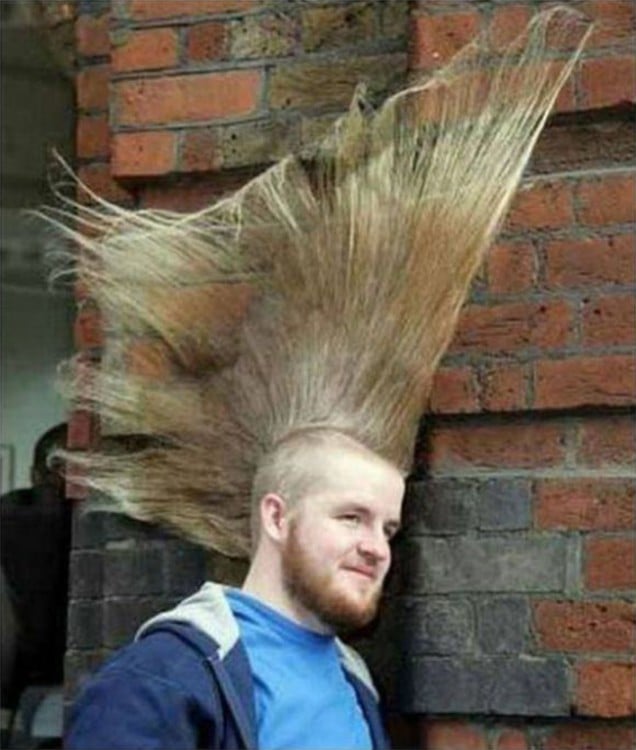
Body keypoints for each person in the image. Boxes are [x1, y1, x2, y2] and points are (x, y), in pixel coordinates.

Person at [50, 8, 589, 749]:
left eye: (388, 527)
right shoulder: (165, 683)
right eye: (350, 518)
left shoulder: (353, 683)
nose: (378, 547)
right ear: (276, 517)